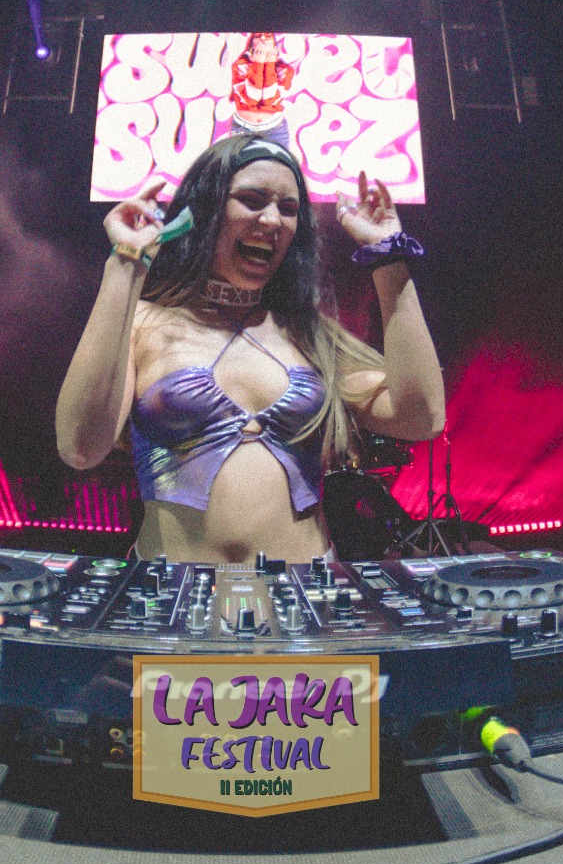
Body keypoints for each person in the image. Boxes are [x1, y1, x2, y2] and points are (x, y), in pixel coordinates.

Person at [56, 134, 444, 564]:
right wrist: (126, 262)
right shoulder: (144, 323)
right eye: (252, 200)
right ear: (206, 209)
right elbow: (80, 447)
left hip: (302, 595)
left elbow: (423, 417)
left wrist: (387, 257)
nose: (273, 219)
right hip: (173, 596)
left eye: (289, 208)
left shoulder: (311, 335)